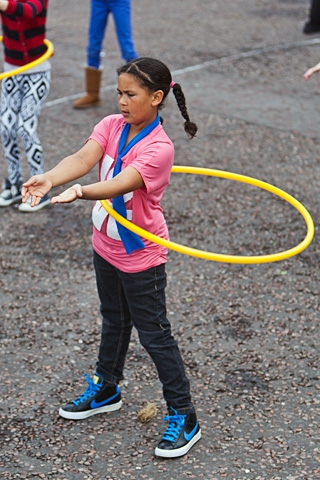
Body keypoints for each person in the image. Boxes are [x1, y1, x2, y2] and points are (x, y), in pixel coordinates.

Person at [21, 57, 201, 458]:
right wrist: (51, 177)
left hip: (141, 254)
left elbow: (122, 182)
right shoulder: (110, 126)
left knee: (154, 334)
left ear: (156, 98)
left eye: (130, 94)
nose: (121, 101)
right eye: (119, 92)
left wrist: (83, 192)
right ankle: (106, 387)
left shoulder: (160, 148)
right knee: (114, 319)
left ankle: (185, 415)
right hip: (106, 245)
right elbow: (83, 159)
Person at [0, 0, 52, 212]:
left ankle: (40, 189)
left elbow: (29, 11)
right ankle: (13, 183)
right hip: (12, 70)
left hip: (37, 72)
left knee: (25, 128)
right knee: (5, 127)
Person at [73, 0, 138, 109]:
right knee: (93, 46)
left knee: (127, 48)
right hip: (98, 2)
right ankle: (92, 94)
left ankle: (139, 93)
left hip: (120, 2)